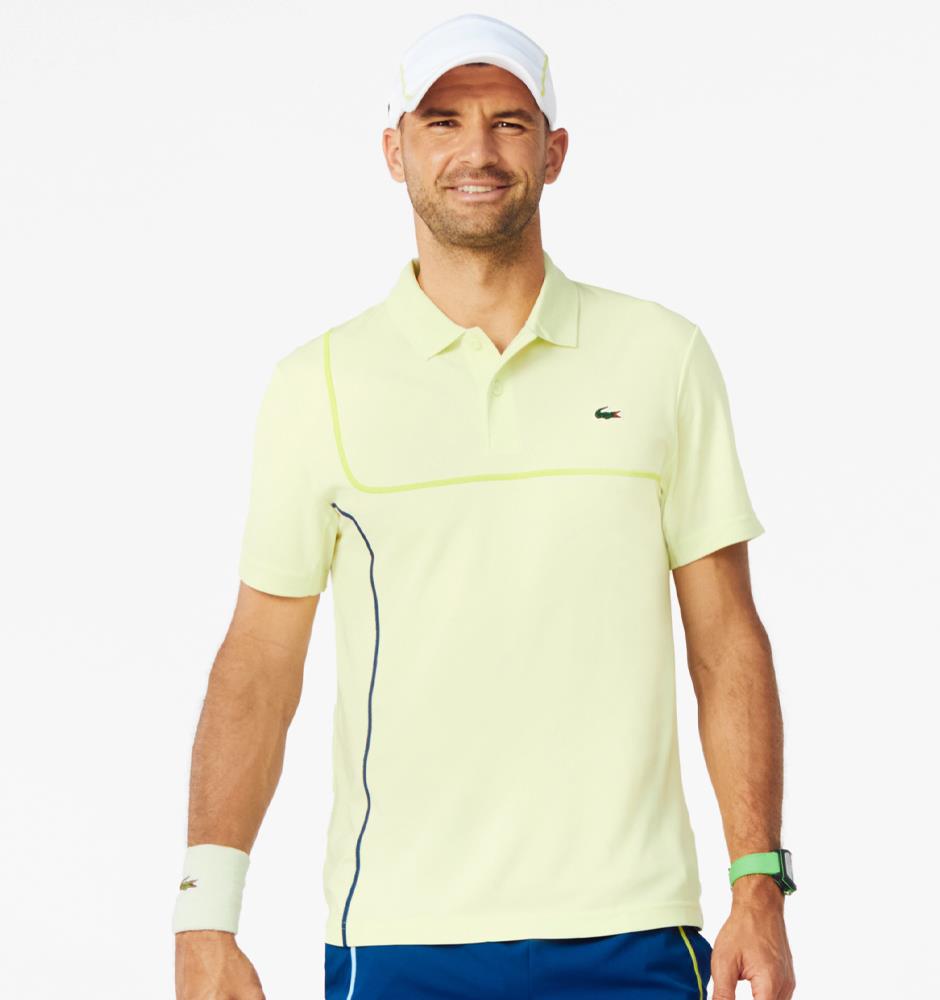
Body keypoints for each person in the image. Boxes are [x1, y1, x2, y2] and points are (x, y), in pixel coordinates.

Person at [172, 12, 796, 1000]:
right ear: (395, 152)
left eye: (509, 122)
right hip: (397, 937)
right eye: (442, 121)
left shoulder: (662, 357)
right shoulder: (317, 385)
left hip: (633, 928)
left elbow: (725, 637)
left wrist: (757, 881)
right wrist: (205, 915)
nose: (478, 151)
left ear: (554, 151)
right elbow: (258, 664)